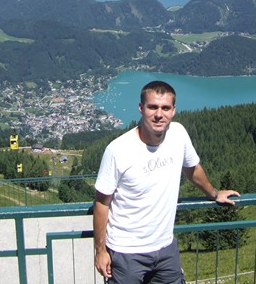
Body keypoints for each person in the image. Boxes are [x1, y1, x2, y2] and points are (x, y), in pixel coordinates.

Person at [93, 80, 240, 283]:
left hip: (165, 248)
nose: (159, 114)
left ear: (173, 110)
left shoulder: (178, 134)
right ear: (141, 108)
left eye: (165, 108)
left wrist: (214, 194)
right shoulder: (118, 150)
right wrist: (100, 251)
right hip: (126, 252)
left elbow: (193, 169)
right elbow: (101, 203)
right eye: (152, 107)